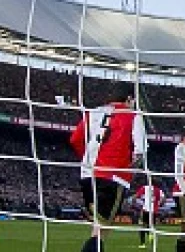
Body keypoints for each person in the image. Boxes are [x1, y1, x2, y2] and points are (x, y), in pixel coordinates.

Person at [69, 90, 147, 252]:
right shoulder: (133, 115)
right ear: (129, 99)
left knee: (97, 227)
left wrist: (88, 159)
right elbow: (140, 152)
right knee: (101, 230)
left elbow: (75, 139)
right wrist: (130, 172)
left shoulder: (95, 112)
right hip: (113, 177)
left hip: (87, 176)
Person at [133, 181, 165, 248]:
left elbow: (135, 197)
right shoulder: (159, 190)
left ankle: (142, 244)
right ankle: (152, 240)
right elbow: (163, 200)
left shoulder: (144, 188)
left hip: (145, 210)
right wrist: (158, 205)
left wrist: (136, 204)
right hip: (154, 211)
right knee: (152, 226)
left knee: (143, 226)